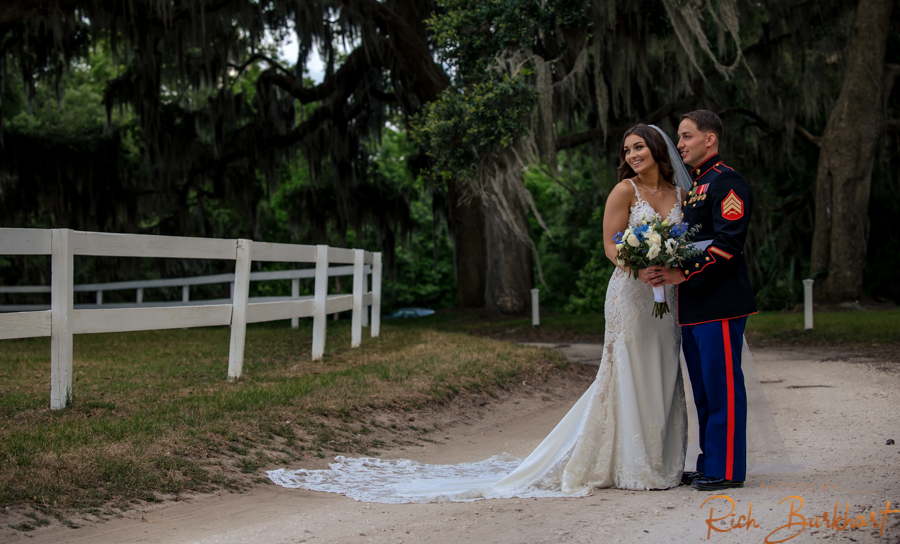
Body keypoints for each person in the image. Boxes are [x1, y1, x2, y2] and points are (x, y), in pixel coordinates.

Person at [267, 124, 691, 502]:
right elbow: (611, 247)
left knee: (664, 369)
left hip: (666, 295)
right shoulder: (624, 191)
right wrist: (640, 267)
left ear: (657, 149)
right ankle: (631, 465)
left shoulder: (681, 195)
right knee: (628, 372)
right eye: (627, 150)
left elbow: (689, 245)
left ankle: (662, 460)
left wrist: (668, 270)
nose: (632, 155)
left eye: (639, 148)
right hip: (629, 295)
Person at [646, 110, 758, 492]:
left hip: (720, 301)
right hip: (695, 304)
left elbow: (728, 247)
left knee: (723, 386)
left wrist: (682, 275)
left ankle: (727, 469)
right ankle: (711, 460)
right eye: (680, 137)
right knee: (705, 391)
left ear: (709, 139)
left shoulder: (727, 182)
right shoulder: (696, 187)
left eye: (687, 136)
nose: (680, 145)